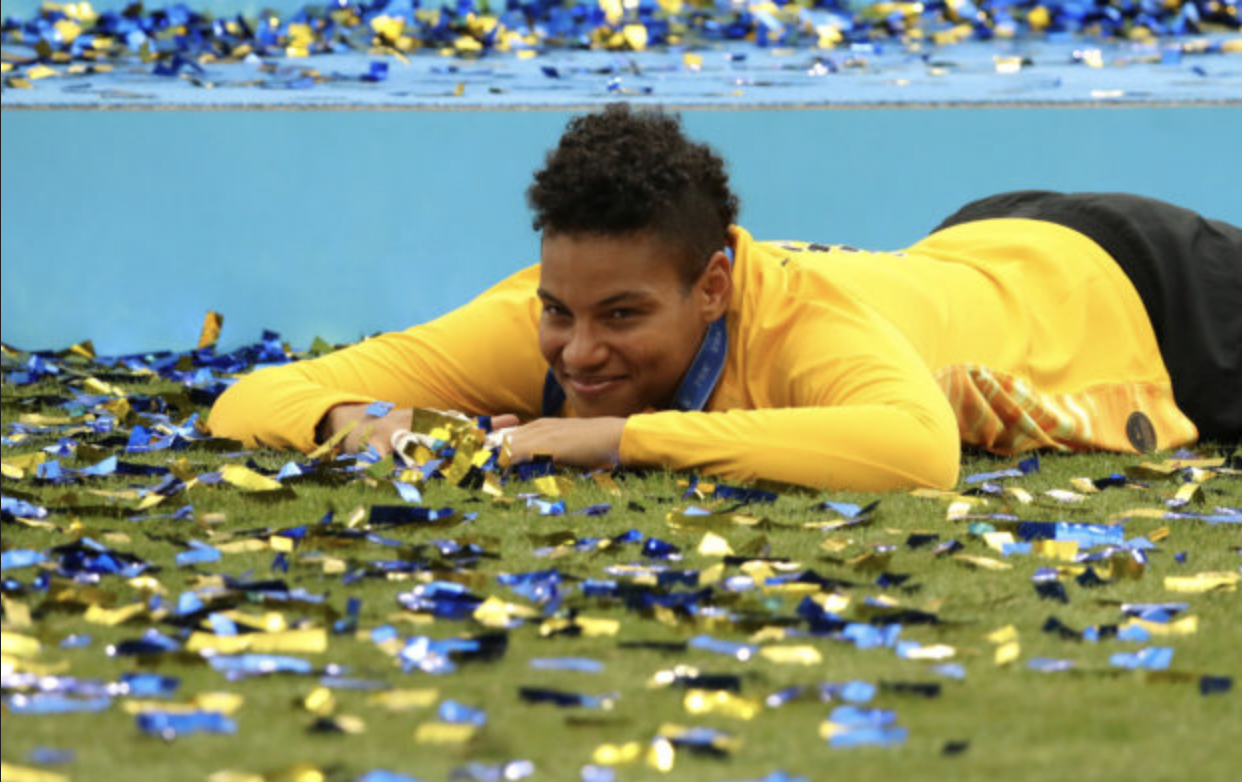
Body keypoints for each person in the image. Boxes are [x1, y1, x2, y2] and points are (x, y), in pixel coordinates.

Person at [207, 103, 1242, 491]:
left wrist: (619, 440)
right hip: (983, 244)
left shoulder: (801, 321)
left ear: (713, 286)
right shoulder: (541, 322)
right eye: (561, 310)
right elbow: (253, 397)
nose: (577, 353)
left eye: (622, 316)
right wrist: (361, 423)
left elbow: (917, 453)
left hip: (1154, 302)